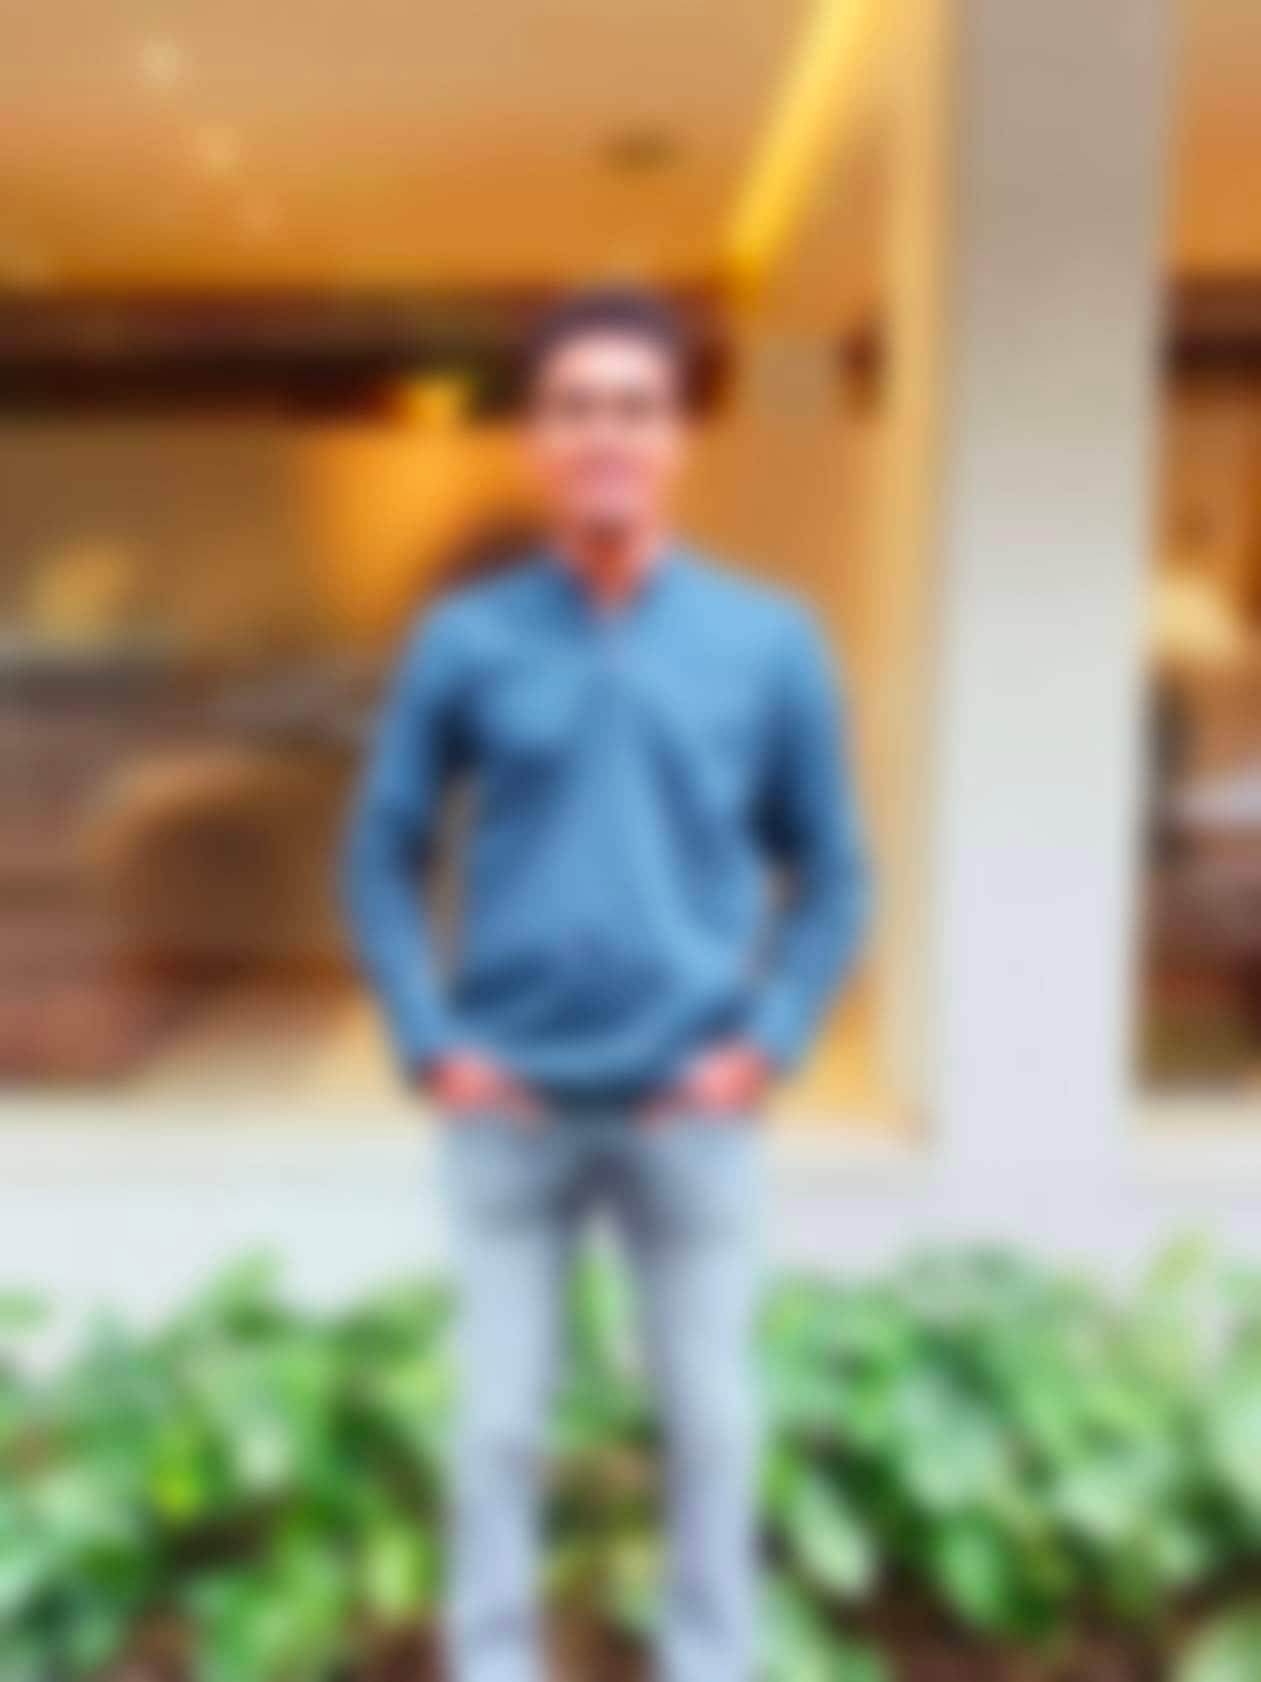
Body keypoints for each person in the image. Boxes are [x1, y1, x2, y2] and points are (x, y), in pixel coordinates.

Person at [343, 287, 869, 1682]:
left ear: (680, 436)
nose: (603, 435)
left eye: (635, 407)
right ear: (534, 439)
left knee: (712, 1428)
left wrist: (766, 1045)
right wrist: (429, 1043)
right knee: (494, 1430)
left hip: (688, 1106)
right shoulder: (466, 638)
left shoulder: (767, 641)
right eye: (573, 407)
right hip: (507, 1104)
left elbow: (834, 874)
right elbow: (379, 854)